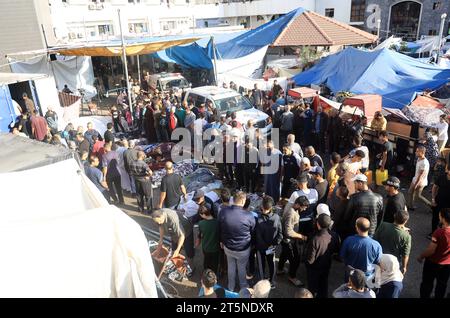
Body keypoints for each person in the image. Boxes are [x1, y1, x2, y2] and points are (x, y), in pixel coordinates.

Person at [219, 191, 256, 292]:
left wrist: (221, 241)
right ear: (243, 201)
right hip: (243, 248)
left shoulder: (223, 212)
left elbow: (220, 228)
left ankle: (231, 286)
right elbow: (253, 232)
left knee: (231, 266)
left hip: (228, 247)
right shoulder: (249, 216)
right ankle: (243, 287)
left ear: (233, 199)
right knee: (242, 267)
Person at [305, 213, 340, 298]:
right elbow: (336, 250)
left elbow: (310, 260)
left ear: (317, 224)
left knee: (312, 289)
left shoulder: (315, 239)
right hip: (326, 265)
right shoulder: (334, 235)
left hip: (314, 269)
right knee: (323, 285)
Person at [418, 208, 450, 299]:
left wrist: (421, 256)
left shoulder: (439, 232)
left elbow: (431, 250)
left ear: (443, 218)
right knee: (442, 285)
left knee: (427, 284)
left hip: (433, 262)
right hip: (447, 264)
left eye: (440, 215)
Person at [278, 196, 309, 286]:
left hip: (286, 240)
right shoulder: (291, 213)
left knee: (284, 254)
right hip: (288, 241)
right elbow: (288, 232)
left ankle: (280, 269)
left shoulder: (294, 209)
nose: (305, 208)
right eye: (304, 206)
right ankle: (292, 277)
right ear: (297, 204)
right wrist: (301, 236)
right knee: (295, 259)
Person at [255, 196, 283, 286]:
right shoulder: (277, 217)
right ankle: (272, 281)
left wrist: (263, 246)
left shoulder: (258, 219)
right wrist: (274, 244)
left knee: (261, 264)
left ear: (262, 207)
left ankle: (262, 281)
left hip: (261, 248)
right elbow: (280, 234)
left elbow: (258, 237)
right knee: (271, 263)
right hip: (271, 247)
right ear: (271, 207)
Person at [197, 205, 220, 273]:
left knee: (206, 263)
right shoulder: (217, 222)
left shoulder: (201, 223)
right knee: (215, 264)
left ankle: (206, 276)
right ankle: (214, 277)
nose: (200, 216)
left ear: (203, 214)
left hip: (206, 248)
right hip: (216, 248)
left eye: (201, 215)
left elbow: (200, 235)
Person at [408, 145, 431, 210]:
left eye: (417, 151)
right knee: (410, 192)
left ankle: (431, 205)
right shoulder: (419, 158)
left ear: (422, 152)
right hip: (415, 179)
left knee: (418, 196)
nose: (416, 152)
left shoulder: (424, 163)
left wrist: (416, 184)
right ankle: (410, 206)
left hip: (420, 182)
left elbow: (421, 175)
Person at [431, 165, 450, 234]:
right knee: (435, 218)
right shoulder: (442, 177)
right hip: (438, 202)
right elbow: (434, 187)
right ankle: (433, 232)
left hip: (448, 205)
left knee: (447, 220)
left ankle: (444, 234)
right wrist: (433, 199)